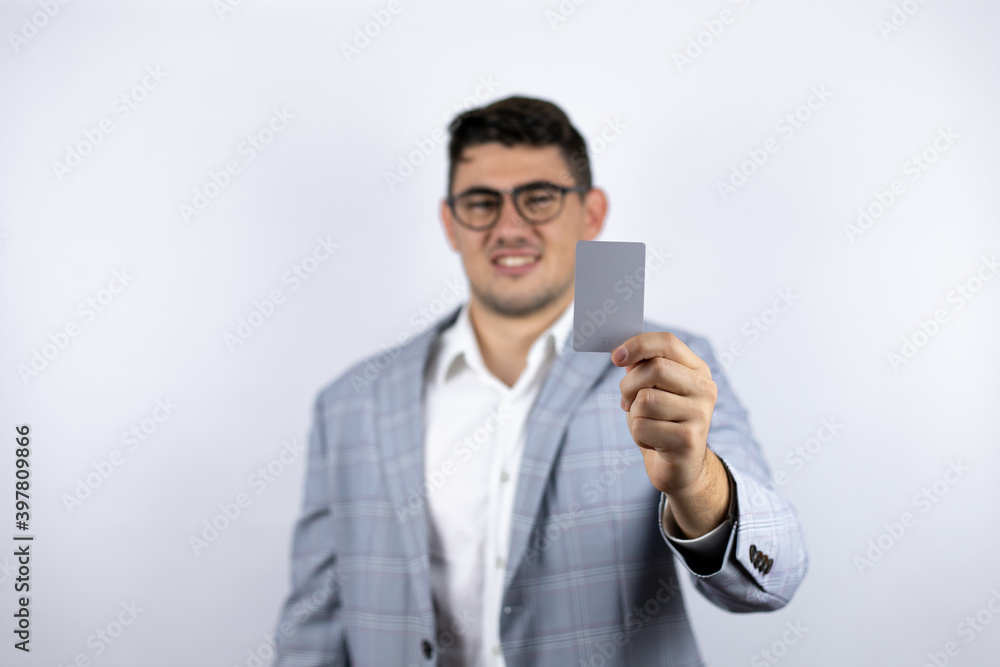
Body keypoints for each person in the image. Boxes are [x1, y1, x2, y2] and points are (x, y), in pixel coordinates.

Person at [271, 96, 808, 667]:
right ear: (451, 223)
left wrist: (696, 481)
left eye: (539, 198)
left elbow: (774, 577)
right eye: (481, 202)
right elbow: (314, 628)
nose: (509, 226)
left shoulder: (669, 373)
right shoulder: (352, 404)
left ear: (592, 214)